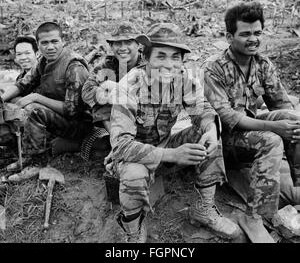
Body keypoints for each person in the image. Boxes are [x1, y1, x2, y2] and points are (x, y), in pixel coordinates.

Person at [108, 23, 241, 243]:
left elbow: (204, 109)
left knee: (209, 137)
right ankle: (133, 231)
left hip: (166, 143)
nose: (168, 64)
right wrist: (173, 155)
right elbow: (121, 146)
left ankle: (204, 210)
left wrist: (209, 129)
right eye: (161, 56)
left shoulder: (183, 78)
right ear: (147, 57)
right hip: (134, 154)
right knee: (133, 174)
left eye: (175, 57)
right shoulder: (128, 87)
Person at [202, 2, 300, 243]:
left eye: (257, 33)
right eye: (245, 34)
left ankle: (297, 183)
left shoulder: (262, 64)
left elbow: (281, 104)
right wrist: (273, 127)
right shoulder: (214, 68)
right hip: (224, 142)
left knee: (292, 119)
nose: (253, 39)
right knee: (271, 139)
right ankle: (254, 218)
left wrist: (290, 124)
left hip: (250, 130)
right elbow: (227, 117)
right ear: (229, 36)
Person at [0, 22, 92, 168]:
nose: (50, 47)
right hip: (57, 116)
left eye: (54, 41)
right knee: (11, 100)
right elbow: (22, 84)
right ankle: (12, 148)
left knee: (33, 108)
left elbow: (72, 110)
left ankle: (35, 162)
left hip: (79, 123)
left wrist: (36, 97)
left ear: (63, 41)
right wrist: (2, 99)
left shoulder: (74, 66)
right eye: (45, 43)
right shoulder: (44, 61)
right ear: (38, 44)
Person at [81, 22, 145, 159]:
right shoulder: (108, 64)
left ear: (138, 44)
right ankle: (119, 144)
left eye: (128, 42)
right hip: (118, 122)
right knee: (101, 98)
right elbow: (87, 91)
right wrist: (108, 95)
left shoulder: (148, 63)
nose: (122, 48)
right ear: (111, 46)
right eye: (117, 43)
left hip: (146, 114)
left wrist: (120, 89)